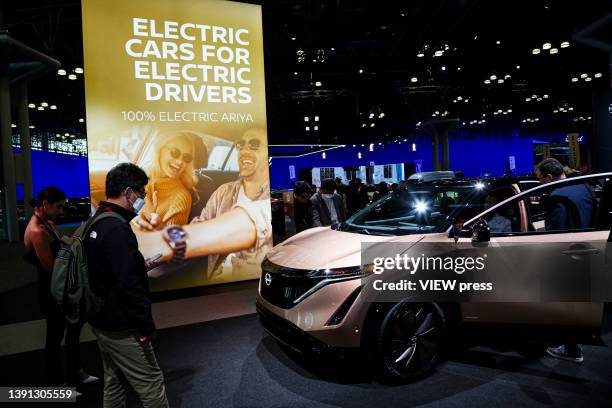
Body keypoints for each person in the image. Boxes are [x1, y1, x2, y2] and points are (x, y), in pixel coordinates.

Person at [135, 128, 272, 281]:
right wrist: (164, 230)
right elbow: (198, 225)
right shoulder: (223, 192)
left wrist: (164, 241)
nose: (245, 150)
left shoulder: (275, 197)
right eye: (241, 145)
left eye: (254, 145)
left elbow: (258, 220)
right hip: (215, 283)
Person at [85, 163, 169, 408]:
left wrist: (136, 267)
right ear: (128, 192)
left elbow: (107, 271)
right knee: (151, 382)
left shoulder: (96, 222)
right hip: (123, 324)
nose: (142, 199)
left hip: (101, 320)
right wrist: (145, 325)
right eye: (141, 194)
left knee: (114, 380)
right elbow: (130, 286)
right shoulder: (117, 229)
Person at [24, 187, 98, 388]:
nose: (61, 211)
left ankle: (76, 373)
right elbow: (51, 268)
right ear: (45, 205)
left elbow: (61, 253)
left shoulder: (47, 224)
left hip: (61, 285)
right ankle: (58, 384)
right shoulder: (36, 231)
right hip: (51, 290)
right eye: (58, 207)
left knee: (73, 330)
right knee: (55, 339)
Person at [535, 158, 595, 363]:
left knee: (567, 303)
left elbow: (557, 232)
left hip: (568, 254)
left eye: (540, 179)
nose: (540, 184)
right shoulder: (583, 187)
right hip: (590, 248)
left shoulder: (556, 196)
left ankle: (572, 349)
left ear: (549, 177)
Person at [141, 131, 200, 226]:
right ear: (160, 149)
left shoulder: (181, 198)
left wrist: (152, 224)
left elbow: (168, 239)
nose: (180, 161)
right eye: (175, 152)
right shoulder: (143, 179)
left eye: (186, 157)